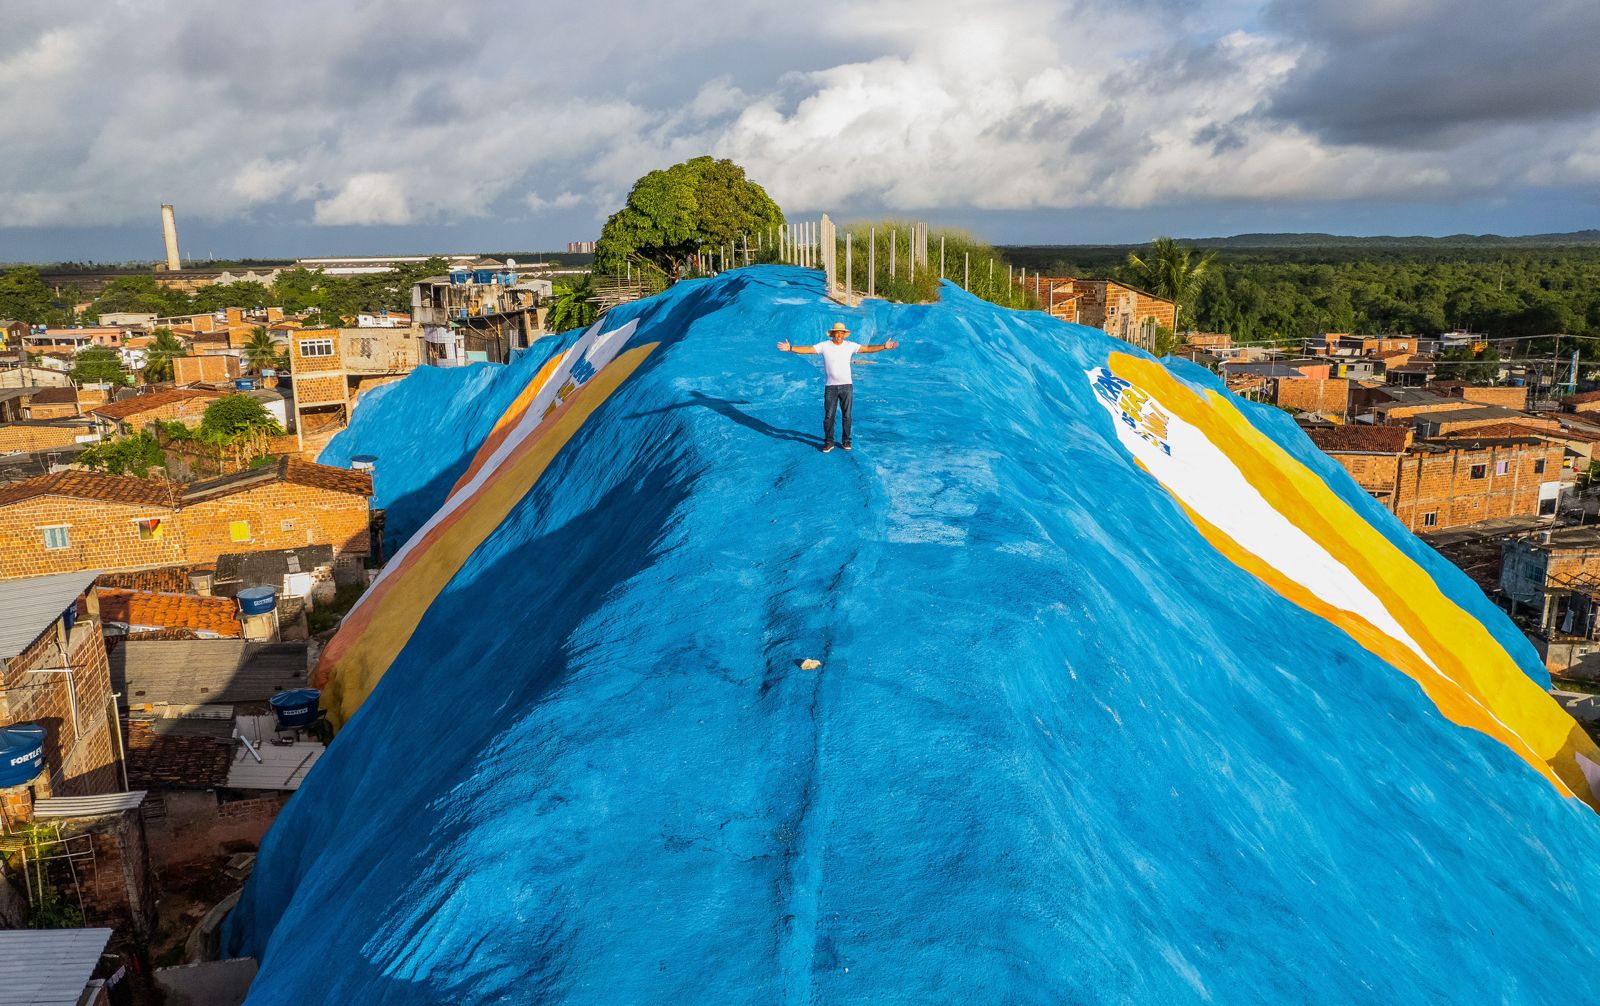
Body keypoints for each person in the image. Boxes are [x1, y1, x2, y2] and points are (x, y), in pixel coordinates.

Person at [777, 321, 899, 452]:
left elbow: (867, 349)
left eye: (842, 333)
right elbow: (808, 349)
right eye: (837, 332)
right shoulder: (824, 345)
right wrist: (790, 348)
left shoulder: (850, 345)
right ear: (832, 334)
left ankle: (846, 441)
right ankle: (829, 442)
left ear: (845, 334)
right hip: (831, 387)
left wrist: (884, 346)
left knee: (847, 415)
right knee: (829, 416)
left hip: (847, 386)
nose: (839, 335)